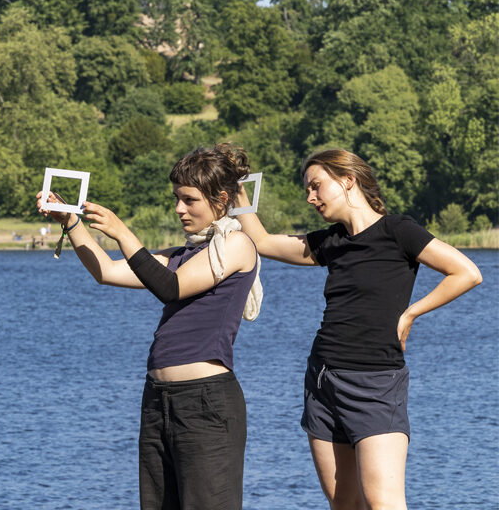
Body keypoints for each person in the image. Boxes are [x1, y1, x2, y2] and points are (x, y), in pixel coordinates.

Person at [239, 148, 483, 510]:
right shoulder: (331, 242)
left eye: (317, 186)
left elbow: (467, 273)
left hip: (375, 384)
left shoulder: (397, 231)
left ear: (348, 180)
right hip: (321, 381)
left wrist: (411, 313)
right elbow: (262, 242)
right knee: (344, 502)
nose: (310, 197)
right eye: (308, 189)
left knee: (384, 503)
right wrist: (236, 189)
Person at [38, 143, 262, 510]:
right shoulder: (182, 255)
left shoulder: (236, 245)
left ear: (221, 199)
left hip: (205, 401)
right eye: (176, 198)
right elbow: (107, 272)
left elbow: (170, 288)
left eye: (189, 200)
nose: (179, 209)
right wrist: (72, 223)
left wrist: (123, 232)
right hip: (158, 399)